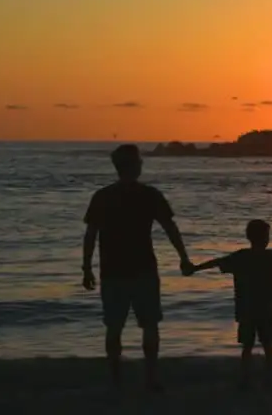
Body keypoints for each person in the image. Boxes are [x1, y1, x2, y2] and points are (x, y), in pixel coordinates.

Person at [82, 144, 192, 392]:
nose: (142, 164)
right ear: (134, 166)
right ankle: (150, 378)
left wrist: (87, 268)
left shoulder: (103, 196)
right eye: (139, 162)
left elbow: (91, 235)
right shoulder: (150, 195)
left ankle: (116, 380)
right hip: (143, 269)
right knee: (150, 325)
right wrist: (183, 257)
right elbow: (170, 229)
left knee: (114, 327)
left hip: (112, 270)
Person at [189, 219, 272, 389]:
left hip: (245, 309)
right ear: (265, 238)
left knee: (247, 346)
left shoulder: (240, 257)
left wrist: (195, 268)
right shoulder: (271, 258)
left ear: (249, 237)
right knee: (268, 345)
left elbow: (216, 262)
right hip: (264, 309)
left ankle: (246, 379)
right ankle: (269, 379)